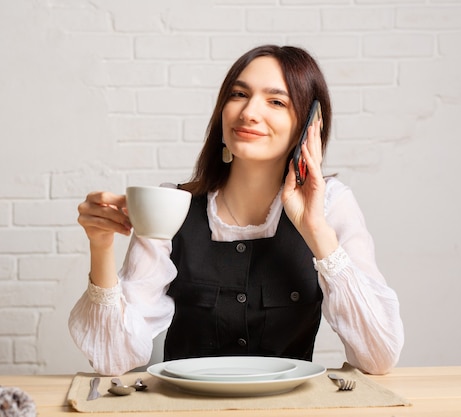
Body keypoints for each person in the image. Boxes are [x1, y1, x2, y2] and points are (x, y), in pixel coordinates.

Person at [69, 45, 404, 376]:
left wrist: (315, 229)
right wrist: (100, 246)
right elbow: (112, 359)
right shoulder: (171, 205)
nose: (249, 113)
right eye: (239, 94)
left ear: (308, 125)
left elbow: (378, 357)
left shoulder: (331, 204)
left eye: (276, 101)